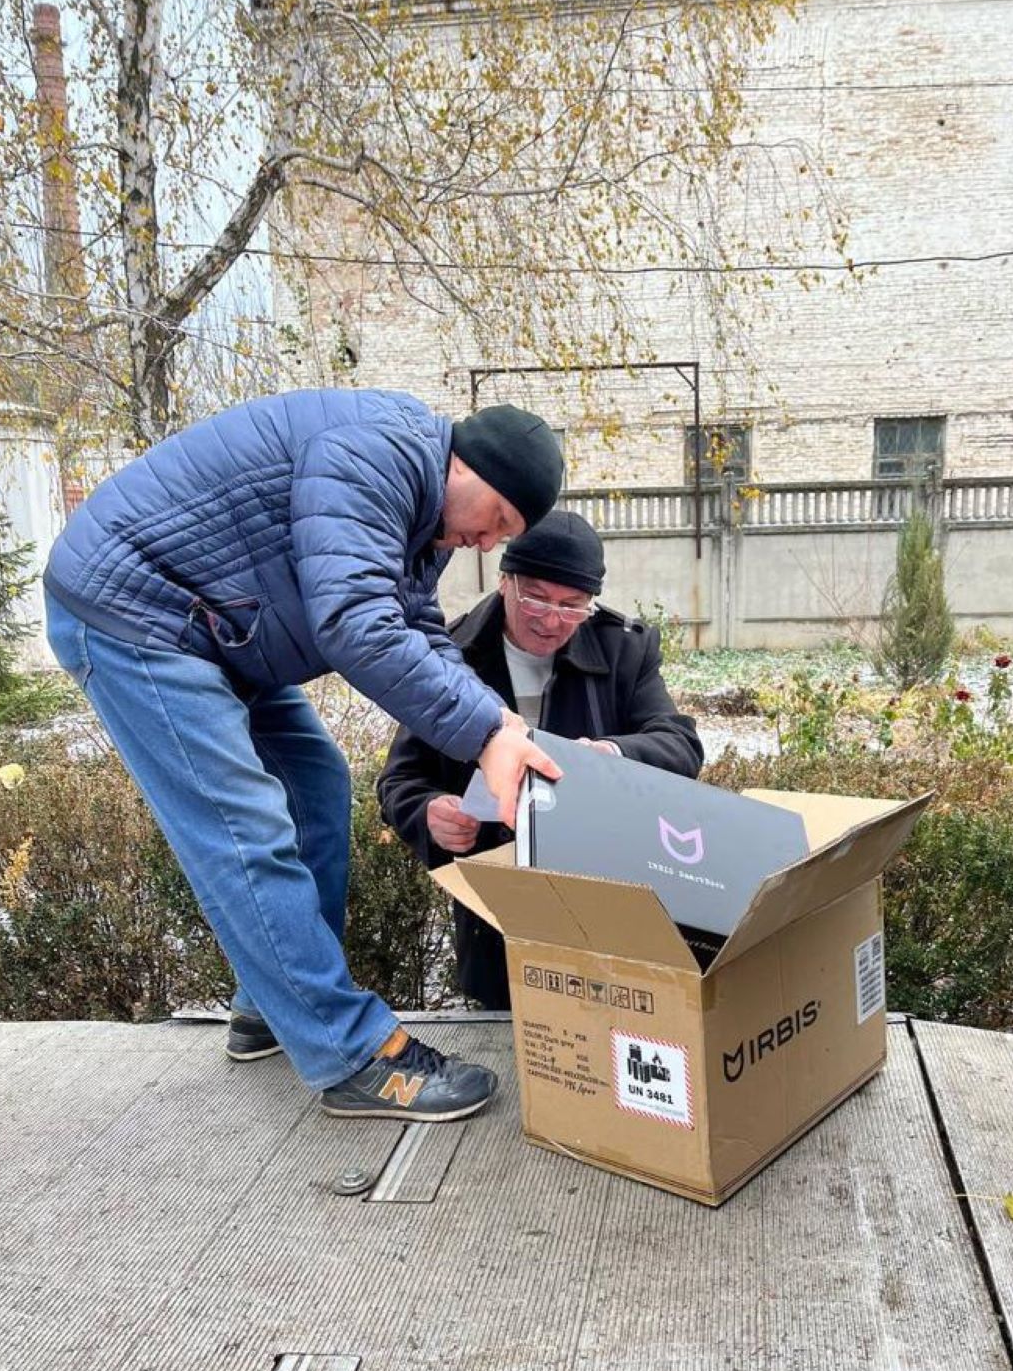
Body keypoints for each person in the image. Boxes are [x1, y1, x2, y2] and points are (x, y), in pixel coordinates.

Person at [43, 390, 565, 1123]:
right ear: (470, 467)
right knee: (244, 830)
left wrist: (499, 722)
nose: (488, 543)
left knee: (315, 783)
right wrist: (484, 732)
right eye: (499, 521)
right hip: (138, 613)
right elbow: (354, 622)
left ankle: (269, 1009)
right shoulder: (376, 455)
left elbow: (408, 620)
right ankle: (349, 1056)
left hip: (214, 628)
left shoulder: (420, 513)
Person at [377, 511, 703, 1009]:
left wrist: (611, 757)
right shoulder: (449, 656)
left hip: (606, 898)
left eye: (573, 607)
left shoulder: (624, 650)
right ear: (506, 581)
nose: (553, 621)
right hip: (497, 910)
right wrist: (430, 814)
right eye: (537, 600)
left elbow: (680, 745)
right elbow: (400, 778)